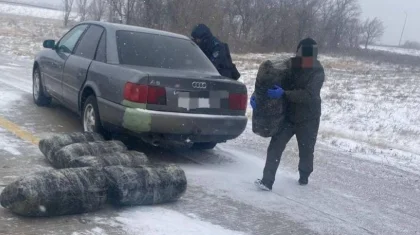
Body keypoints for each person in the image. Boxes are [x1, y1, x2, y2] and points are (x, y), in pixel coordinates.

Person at [251, 38, 325, 191]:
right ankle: (267, 181)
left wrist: (284, 93)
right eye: (299, 52)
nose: (300, 57)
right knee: (275, 147)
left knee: (306, 150)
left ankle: (304, 176)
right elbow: (272, 80)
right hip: (289, 116)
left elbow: (309, 95)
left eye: (304, 54)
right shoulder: (290, 65)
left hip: (308, 118)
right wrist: (257, 96)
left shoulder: (317, 71)